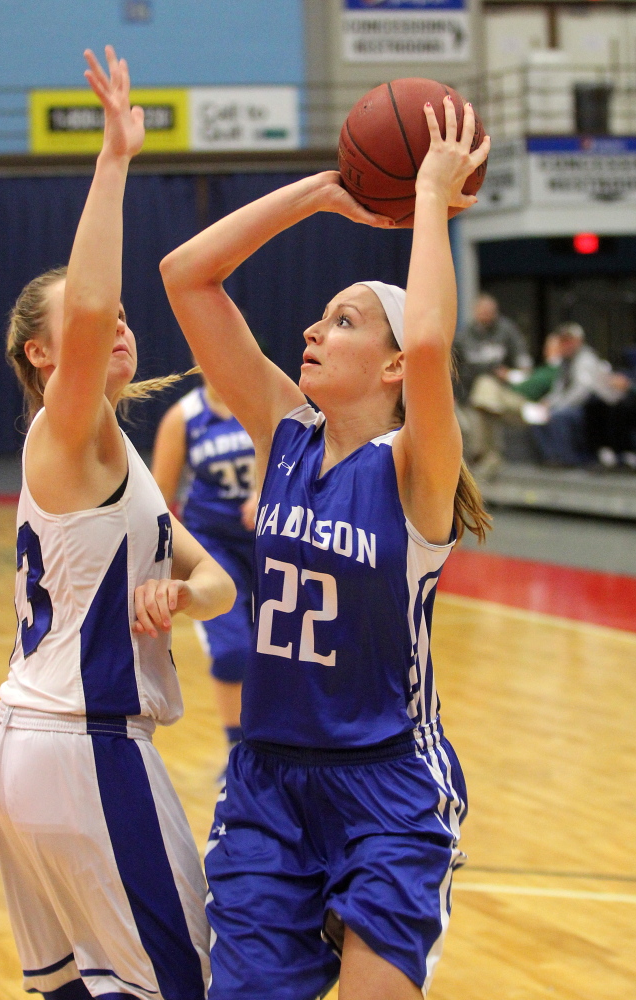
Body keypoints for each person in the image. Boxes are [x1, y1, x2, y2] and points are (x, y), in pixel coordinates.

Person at [161, 98, 491, 1000]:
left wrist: (427, 194)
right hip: (267, 781)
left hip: (386, 786)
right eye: (319, 317)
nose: (312, 330)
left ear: (392, 371)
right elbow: (186, 276)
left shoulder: (414, 470)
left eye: (343, 322)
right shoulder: (285, 434)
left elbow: (428, 336)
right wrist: (319, 193)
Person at [0, 48, 235, 1000]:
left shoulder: (116, 460)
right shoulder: (67, 430)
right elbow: (87, 304)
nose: (116, 325)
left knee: (75, 991)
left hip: (30, 745)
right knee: (181, 985)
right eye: (95, 326)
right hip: (82, 748)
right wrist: (116, 157)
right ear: (41, 355)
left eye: (130, 318)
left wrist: (183, 590)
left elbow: (218, 577)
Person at [152, 377, 255, 763]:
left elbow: (297, 464)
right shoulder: (183, 417)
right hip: (213, 545)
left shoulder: (263, 403)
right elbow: (159, 497)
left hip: (268, 542)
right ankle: (237, 752)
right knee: (232, 650)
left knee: (279, 655)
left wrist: (266, 492)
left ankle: (276, 748)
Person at [454, 293, 532, 473]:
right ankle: (487, 456)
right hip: (471, 396)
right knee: (482, 404)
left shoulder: (507, 331)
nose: (486, 315)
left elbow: (524, 365)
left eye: (490, 311)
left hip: (505, 392)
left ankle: (481, 453)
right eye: (482, 311)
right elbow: (456, 370)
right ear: (475, 312)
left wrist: (511, 373)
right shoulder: (464, 337)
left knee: (486, 390)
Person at [530, 322, 618, 467]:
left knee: (559, 416)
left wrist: (557, 407)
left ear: (578, 341)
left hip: (590, 408)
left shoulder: (586, 358)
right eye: (563, 341)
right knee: (538, 416)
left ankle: (568, 458)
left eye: (569, 341)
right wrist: (547, 402)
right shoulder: (565, 361)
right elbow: (558, 389)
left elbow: (581, 391)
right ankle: (552, 457)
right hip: (570, 404)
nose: (566, 345)